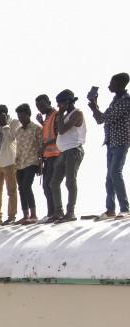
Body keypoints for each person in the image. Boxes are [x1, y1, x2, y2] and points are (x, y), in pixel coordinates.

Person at [86, 72, 130, 219]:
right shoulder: (116, 100)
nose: (109, 86)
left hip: (121, 142)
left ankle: (125, 209)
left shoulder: (125, 101)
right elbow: (101, 120)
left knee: (115, 173)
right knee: (110, 176)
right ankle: (110, 209)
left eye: (112, 83)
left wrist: (94, 108)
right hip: (111, 142)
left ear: (120, 84)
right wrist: (95, 106)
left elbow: (106, 117)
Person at [49, 89, 87, 223]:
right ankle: (58, 212)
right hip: (64, 151)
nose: (58, 106)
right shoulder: (66, 115)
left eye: (60, 103)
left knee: (70, 181)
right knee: (54, 183)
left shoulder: (77, 113)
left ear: (67, 102)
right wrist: (61, 114)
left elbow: (62, 130)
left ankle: (70, 212)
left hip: (74, 150)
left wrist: (60, 114)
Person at [14, 103, 44, 224]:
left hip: (32, 161)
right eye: (19, 116)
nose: (21, 119)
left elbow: (41, 146)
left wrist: (40, 164)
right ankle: (25, 215)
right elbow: (18, 148)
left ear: (28, 115)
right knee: (21, 188)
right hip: (20, 163)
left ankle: (34, 215)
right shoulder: (18, 131)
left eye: (22, 116)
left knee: (27, 186)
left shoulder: (37, 128)